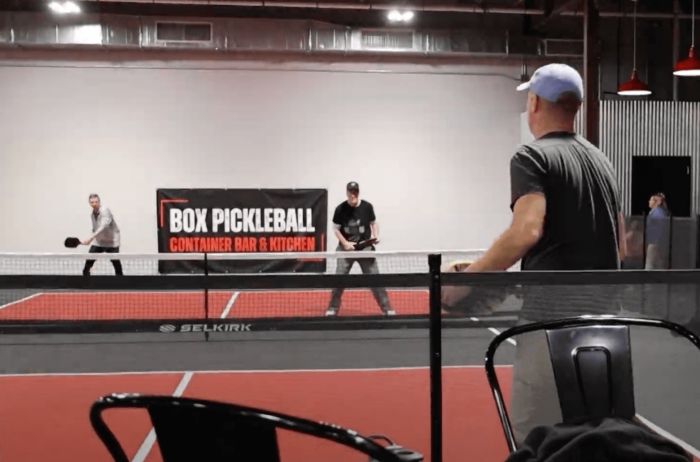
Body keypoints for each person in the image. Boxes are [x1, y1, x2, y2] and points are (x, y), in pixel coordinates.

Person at [442, 63, 626, 444]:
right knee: (598, 439)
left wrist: (466, 282)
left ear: (535, 102)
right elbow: (621, 246)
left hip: (549, 326)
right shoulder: (603, 162)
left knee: (536, 439)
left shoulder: (531, 156)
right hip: (608, 327)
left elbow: (526, 231)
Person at [325, 182, 395, 316]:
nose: (353, 194)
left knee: (375, 279)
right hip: (346, 250)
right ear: (347, 193)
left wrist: (376, 235)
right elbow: (336, 228)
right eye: (351, 192)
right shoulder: (340, 209)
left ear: (358, 192)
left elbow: (373, 224)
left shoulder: (367, 207)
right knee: (338, 280)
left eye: (355, 191)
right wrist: (345, 243)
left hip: (365, 248)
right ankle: (333, 309)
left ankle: (387, 309)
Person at [81, 194, 123, 276]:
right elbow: (95, 228)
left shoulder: (105, 210)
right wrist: (92, 238)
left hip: (112, 241)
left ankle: (120, 280)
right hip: (99, 241)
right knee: (89, 260)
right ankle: (85, 278)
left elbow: (104, 225)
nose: (94, 204)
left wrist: (91, 238)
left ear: (99, 202)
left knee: (115, 262)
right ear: (89, 203)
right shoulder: (92, 214)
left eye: (96, 202)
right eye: (92, 202)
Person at [645, 192, 670, 269]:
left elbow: (659, 228)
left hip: (655, 243)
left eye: (651, 200)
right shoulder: (659, 212)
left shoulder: (657, 212)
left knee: (650, 265)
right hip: (657, 243)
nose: (649, 201)